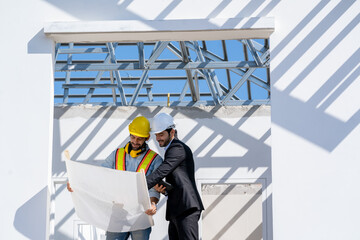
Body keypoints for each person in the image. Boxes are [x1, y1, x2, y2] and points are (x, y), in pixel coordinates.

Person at [67, 116, 163, 240]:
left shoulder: (155, 160)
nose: (135, 141)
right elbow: (100, 175)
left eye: (139, 139)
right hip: (118, 213)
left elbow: (154, 188)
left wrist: (153, 203)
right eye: (133, 137)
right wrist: (76, 183)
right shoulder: (117, 154)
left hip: (141, 214)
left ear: (147, 138)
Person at [146, 113, 204, 240]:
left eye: (161, 134)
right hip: (177, 209)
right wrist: (165, 190)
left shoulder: (177, 148)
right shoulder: (171, 149)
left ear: (172, 132)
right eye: (156, 135)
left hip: (186, 208)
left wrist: (140, 185)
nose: (158, 138)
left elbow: (161, 172)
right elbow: (179, 180)